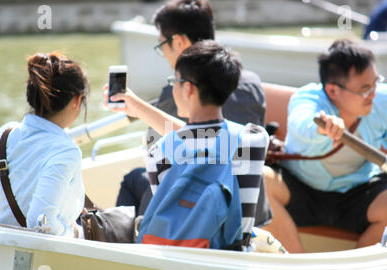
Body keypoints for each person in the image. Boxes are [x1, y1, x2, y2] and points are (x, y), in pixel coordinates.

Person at [114, 0, 272, 228]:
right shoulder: (255, 122)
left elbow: (179, 157)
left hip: (189, 231)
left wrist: (138, 108)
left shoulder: (161, 149)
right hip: (244, 229)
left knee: (133, 180)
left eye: (162, 46)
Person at [263, 39, 387, 253]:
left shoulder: (382, 99)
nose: (373, 94)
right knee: (259, 180)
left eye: (376, 83)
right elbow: (303, 124)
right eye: (365, 89)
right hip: (302, 190)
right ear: (332, 90)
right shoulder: (306, 99)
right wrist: (323, 127)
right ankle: (297, 267)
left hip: (358, 193)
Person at [0, 52, 90, 237]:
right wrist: (73, 232)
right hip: (33, 257)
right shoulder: (66, 151)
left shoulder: (4, 134)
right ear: (77, 101)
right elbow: (40, 223)